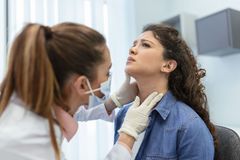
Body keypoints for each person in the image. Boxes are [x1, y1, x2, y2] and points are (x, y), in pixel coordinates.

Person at [0, 22, 163, 160]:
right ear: (82, 85)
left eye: (146, 45)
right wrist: (127, 136)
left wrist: (113, 102)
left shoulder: (36, 99)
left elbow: (72, 110)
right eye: (107, 72)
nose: (132, 50)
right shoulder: (29, 140)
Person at [114, 24, 218, 160]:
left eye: (145, 45)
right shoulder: (123, 114)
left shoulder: (189, 126)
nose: (132, 49)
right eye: (134, 44)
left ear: (168, 65)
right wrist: (114, 101)